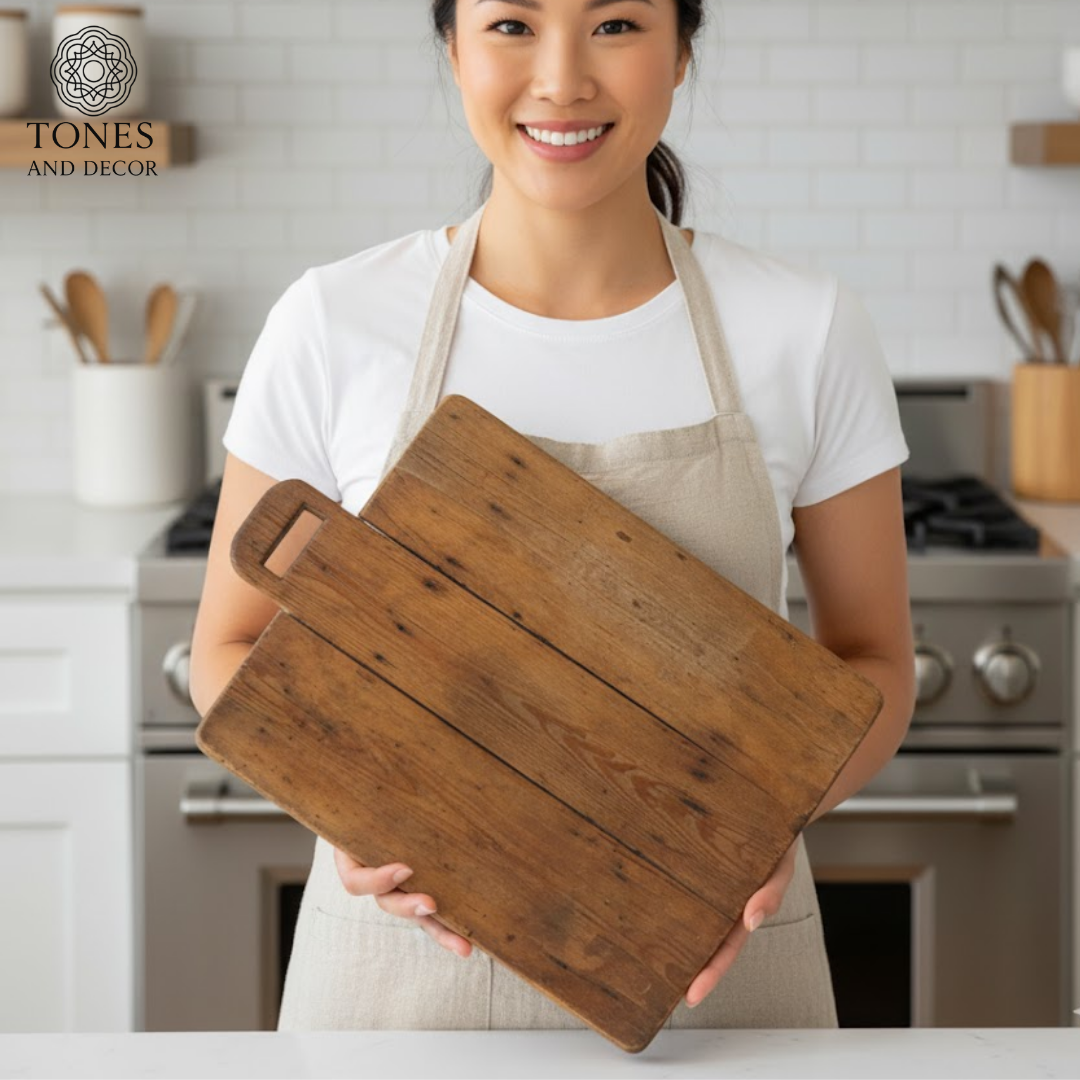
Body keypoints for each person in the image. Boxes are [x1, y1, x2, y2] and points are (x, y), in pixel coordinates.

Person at [189, 0, 916, 1033]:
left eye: (615, 24)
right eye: (512, 26)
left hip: (719, 993)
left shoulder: (805, 327)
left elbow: (875, 661)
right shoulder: (334, 322)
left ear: (682, 51)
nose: (563, 79)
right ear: (453, 49)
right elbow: (228, 648)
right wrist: (353, 806)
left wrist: (756, 822)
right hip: (401, 1005)